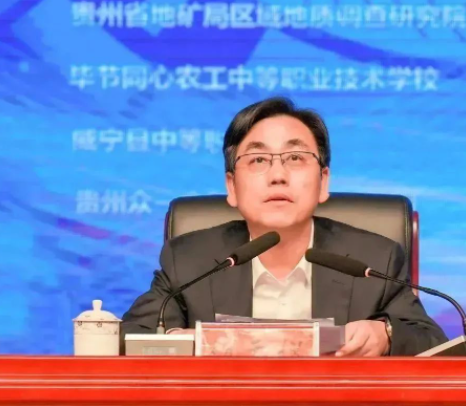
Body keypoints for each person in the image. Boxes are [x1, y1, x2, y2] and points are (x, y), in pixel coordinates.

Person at [121, 97, 448, 356]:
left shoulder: (374, 260)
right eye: (258, 160)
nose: (278, 175)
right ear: (232, 186)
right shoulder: (190, 260)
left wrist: (386, 334)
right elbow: (130, 338)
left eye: (295, 158)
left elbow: (434, 344)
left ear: (323, 182)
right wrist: (180, 342)